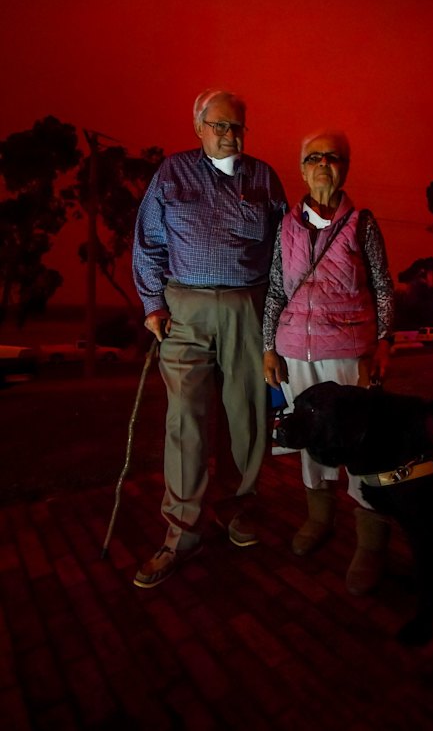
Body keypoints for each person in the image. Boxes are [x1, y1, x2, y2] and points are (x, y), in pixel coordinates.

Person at [132, 88, 287, 588]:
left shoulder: (263, 177)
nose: (229, 135)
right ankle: (181, 532)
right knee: (187, 422)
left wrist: (277, 318)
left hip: (247, 305)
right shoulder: (172, 174)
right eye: (219, 125)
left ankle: (235, 509)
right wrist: (153, 304)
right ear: (198, 126)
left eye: (237, 126)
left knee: (246, 418)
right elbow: (149, 243)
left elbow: (284, 254)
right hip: (186, 312)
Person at [263, 129, 394, 595]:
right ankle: (319, 519)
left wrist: (380, 344)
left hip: (349, 351)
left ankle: (371, 541)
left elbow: (381, 288)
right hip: (297, 350)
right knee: (310, 438)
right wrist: (268, 347)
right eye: (313, 157)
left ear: (345, 168)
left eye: (333, 158)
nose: (323, 164)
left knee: (359, 443)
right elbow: (277, 290)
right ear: (301, 169)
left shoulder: (362, 223)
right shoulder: (286, 226)